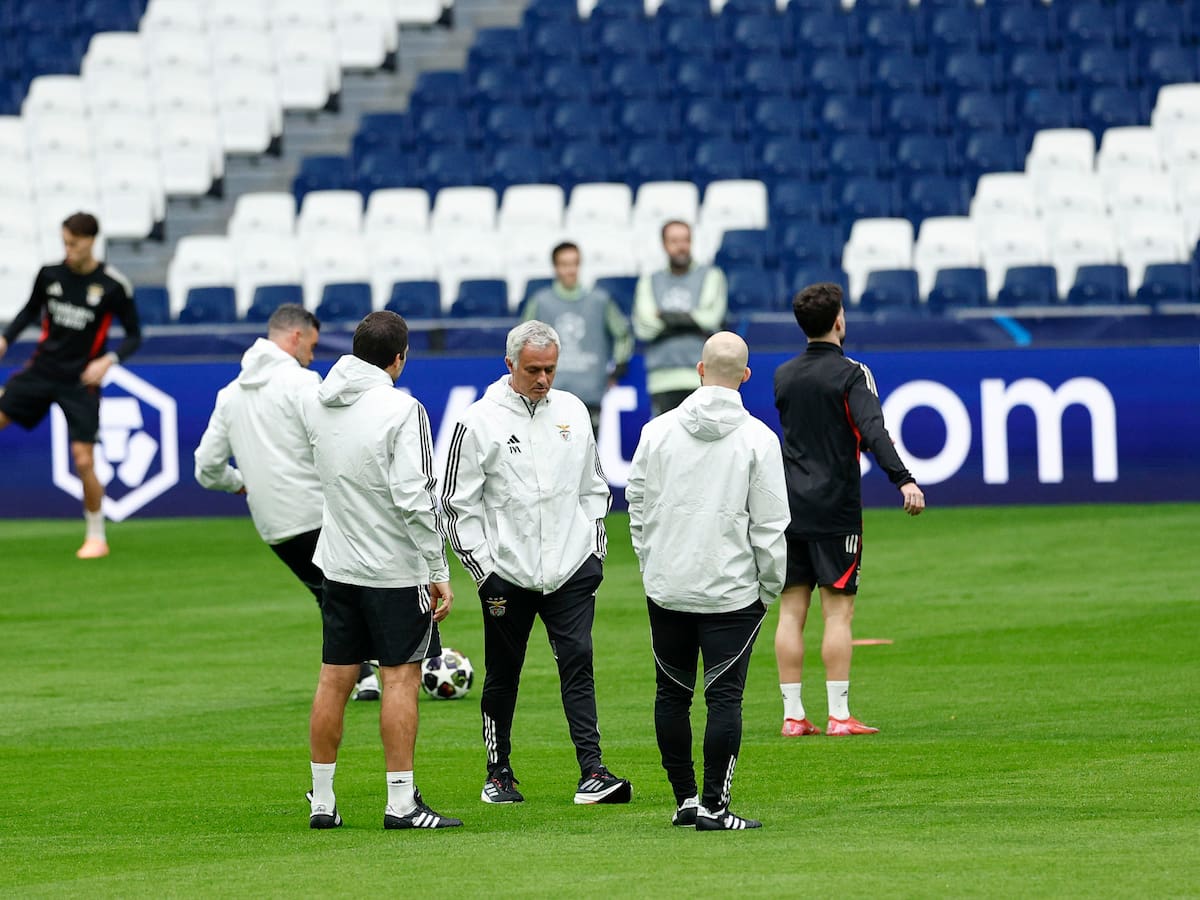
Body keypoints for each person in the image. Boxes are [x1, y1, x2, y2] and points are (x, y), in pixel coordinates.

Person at [441, 320, 632, 806]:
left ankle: (593, 770)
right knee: (504, 673)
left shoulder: (572, 411)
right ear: (510, 366)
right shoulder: (476, 422)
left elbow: (594, 487)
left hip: (571, 568)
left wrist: (594, 550)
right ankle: (497, 772)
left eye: (550, 368)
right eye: (532, 369)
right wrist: (484, 572)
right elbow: (453, 505)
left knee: (578, 662)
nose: (543, 379)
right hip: (508, 573)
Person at [300, 310, 460, 831]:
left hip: (339, 563)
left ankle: (322, 800)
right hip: (392, 569)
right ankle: (400, 803)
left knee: (334, 680)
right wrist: (438, 566)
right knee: (400, 680)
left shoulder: (319, 401)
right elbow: (415, 497)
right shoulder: (402, 408)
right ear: (399, 358)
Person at [626, 332, 789, 832]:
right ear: (745, 376)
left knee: (671, 695)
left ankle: (686, 800)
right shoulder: (759, 438)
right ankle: (714, 807)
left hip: (669, 585)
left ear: (699, 370)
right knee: (724, 700)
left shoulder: (657, 431)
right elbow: (771, 524)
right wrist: (770, 587)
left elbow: (635, 503)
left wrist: (651, 562)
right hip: (732, 591)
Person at [193, 304, 379, 701]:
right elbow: (336, 438)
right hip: (318, 511)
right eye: (311, 345)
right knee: (365, 586)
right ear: (296, 337)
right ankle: (407, 660)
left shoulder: (229, 396)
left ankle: (365, 674)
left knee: (331, 593)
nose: (313, 353)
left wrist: (238, 483)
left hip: (273, 525)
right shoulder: (302, 383)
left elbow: (206, 467)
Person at [773, 282, 925, 738]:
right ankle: (839, 714)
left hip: (788, 505)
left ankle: (793, 715)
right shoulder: (852, 373)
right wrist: (904, 478)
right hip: (835, 506)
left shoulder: (783, 375)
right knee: (838, 614)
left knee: (789, 613)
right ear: (838, 320)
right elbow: (873, 430)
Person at [0, 212, 140, 559]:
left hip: (80, 380)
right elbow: (30, 312)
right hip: (42, 370)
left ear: (91, 241)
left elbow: (136, 334)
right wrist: (5, 339)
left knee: (83, 460)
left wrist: (108, 360)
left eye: (73, 243)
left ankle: (96, 536)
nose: (68, 249)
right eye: (64, 242)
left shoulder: (113, 285)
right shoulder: (50, 275)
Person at [521, 241, 634, 437]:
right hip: (549, 395)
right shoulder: (540, 302)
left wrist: (618, 368)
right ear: (555, 267)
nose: (570, 270)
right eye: (564, 264)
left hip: (590, 393)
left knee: (586, 458)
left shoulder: (600, 300)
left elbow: (623, 334)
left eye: (574, 263)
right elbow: (522, 341)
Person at [632, 220, 727, 417]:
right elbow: (644, 328)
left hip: (702, 376)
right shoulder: (650, 280)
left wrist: (665, 317)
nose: (681, 246)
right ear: (664, 245)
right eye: (674, 241)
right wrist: (691, 322)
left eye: (686, 240)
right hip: (662, 378)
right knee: (666, 445)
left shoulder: (711, 275)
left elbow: (711, 319)